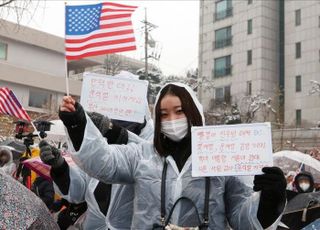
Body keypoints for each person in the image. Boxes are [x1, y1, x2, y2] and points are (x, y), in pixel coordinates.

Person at [59, 82, 286, 229]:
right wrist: (78, 124)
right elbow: (103, 162)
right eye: (164, 114)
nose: (172, 120)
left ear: (193, 112)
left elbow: (241, 218)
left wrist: (270, 199)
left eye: (179, 111)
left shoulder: (219, 156)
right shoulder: (142, 155)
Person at [40, 109, 153, 229]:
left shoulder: (155, 142)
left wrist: (116, 133)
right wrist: (60, 167)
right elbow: (78, 191)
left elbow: (152, 167)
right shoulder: (101, 142)